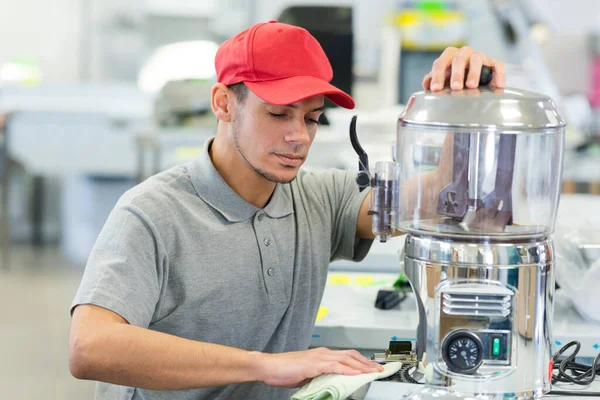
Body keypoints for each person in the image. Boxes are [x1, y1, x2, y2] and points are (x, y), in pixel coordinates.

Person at [68, 20, 506, 400]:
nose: (299, 136)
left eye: (312, 118)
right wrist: (267, 366)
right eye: (279, 113)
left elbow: (446, 197)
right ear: (223, 103)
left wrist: (466, 101)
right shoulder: (152, 214)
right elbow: (90, 347)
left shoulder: (319, 196)